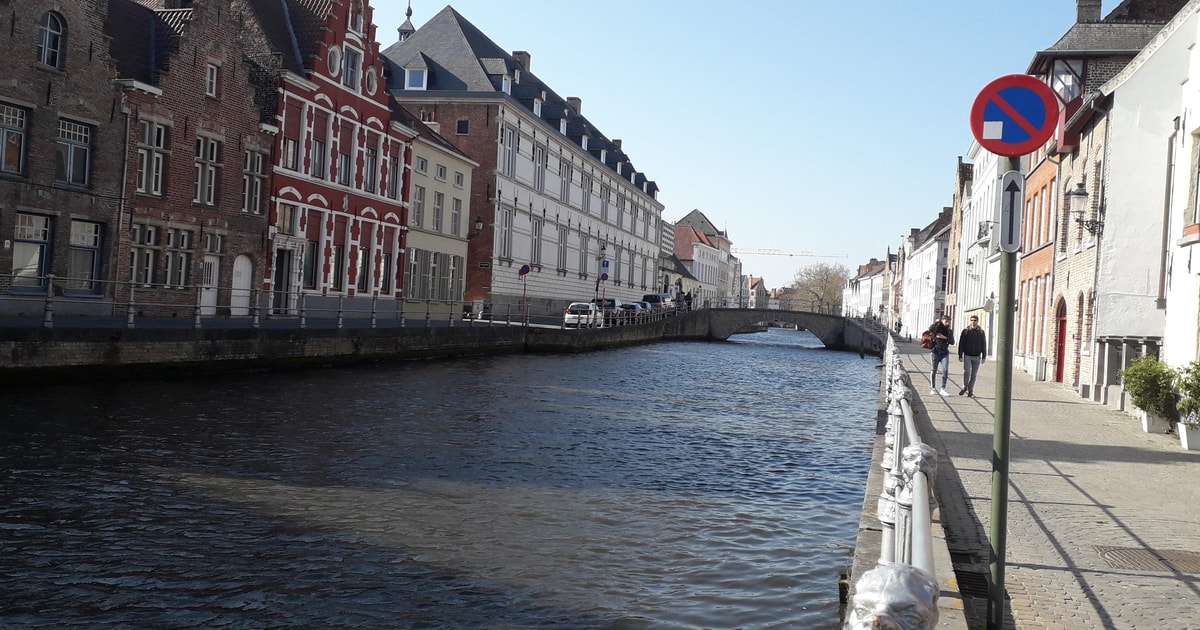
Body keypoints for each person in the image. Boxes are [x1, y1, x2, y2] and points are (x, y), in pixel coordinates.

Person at [957, 315, 988, 397]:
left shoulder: (981, 332)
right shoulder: (965, 331)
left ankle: (970, 390)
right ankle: (965, 386)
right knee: (967, 372)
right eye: (972, 320)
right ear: (970, 321)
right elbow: (961, 344)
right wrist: (960, 355)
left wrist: (984, 356)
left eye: (975, 320)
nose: (973, 322)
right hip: (967, 355)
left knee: (974, 375)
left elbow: (983, 344)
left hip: (977, 356)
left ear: (977, 321)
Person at [928, 315, 954, 396]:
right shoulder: (937, 328)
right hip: (935, 352)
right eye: (946, 321)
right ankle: (932, 388)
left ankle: (943, 389)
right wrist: (936, 323)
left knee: (945, 370)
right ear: (942, 321)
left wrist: (944, 338)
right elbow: (930, 329)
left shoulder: (949, 331)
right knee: (933, 370)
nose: (948, 323)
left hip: (944, 353)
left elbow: (952, 342)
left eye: (949, 321)